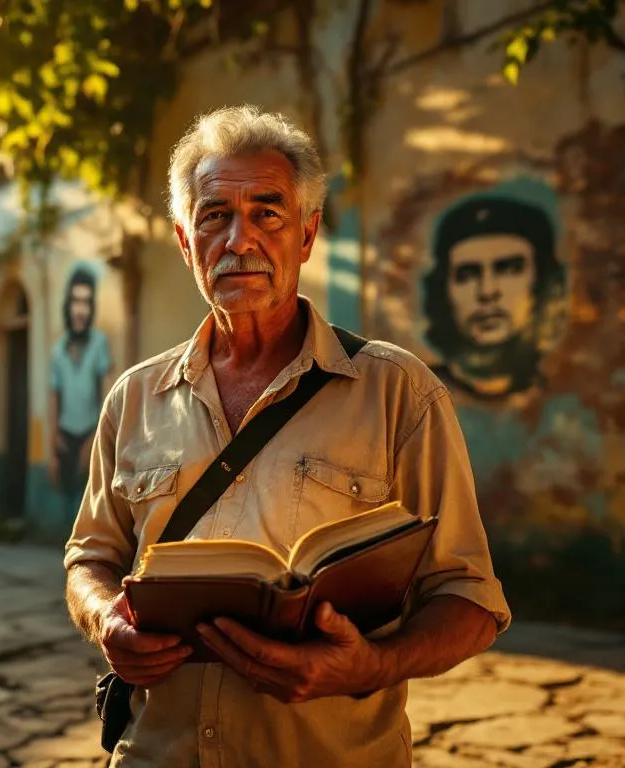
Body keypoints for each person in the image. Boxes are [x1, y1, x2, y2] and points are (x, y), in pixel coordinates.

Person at [63, 105, 511, 767]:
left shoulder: (397, 392)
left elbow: (469, 599)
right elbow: (88, 559)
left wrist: (367, 666)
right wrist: (105, 618)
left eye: (267, 212)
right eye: (214, 215)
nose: (239, 240)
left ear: (306, 235)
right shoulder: (133, 399)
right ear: (186, 242)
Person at [422, 195, 565, 399]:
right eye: (468, 275)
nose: (487, 292)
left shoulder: (571, 401)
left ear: (542, 282)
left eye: (508, 269)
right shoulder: (416, 398)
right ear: (443, 290)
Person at [48, 265, 113, 522]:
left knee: (90, 504)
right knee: (67, 503)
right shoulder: (58, 350)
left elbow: (107, 393)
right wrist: (52, 444)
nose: (81, 310)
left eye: (86, 302)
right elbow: (54, 397)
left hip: (91, 432)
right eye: (76, 301)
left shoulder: (99, 343)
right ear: (68, 304)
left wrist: (93, 439)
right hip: (65, 436)